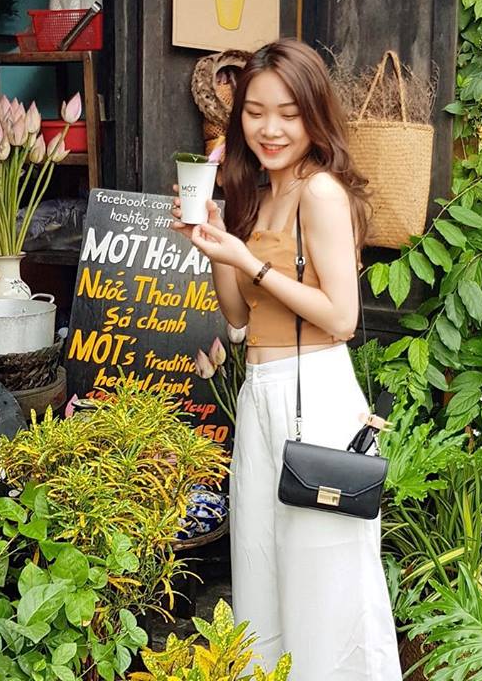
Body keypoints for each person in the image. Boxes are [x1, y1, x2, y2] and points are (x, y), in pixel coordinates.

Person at [171, 39, 401, 681]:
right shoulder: (258, 193)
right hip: (263, 393)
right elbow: (240, 319)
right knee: (263, 565)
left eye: (288, 114)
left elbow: (342, 318)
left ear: (313, 116)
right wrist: (216, 244)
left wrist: (250, 262)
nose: (270, 129)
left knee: (324, 579)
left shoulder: (319, 192)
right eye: (254, 113)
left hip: (316, 394)